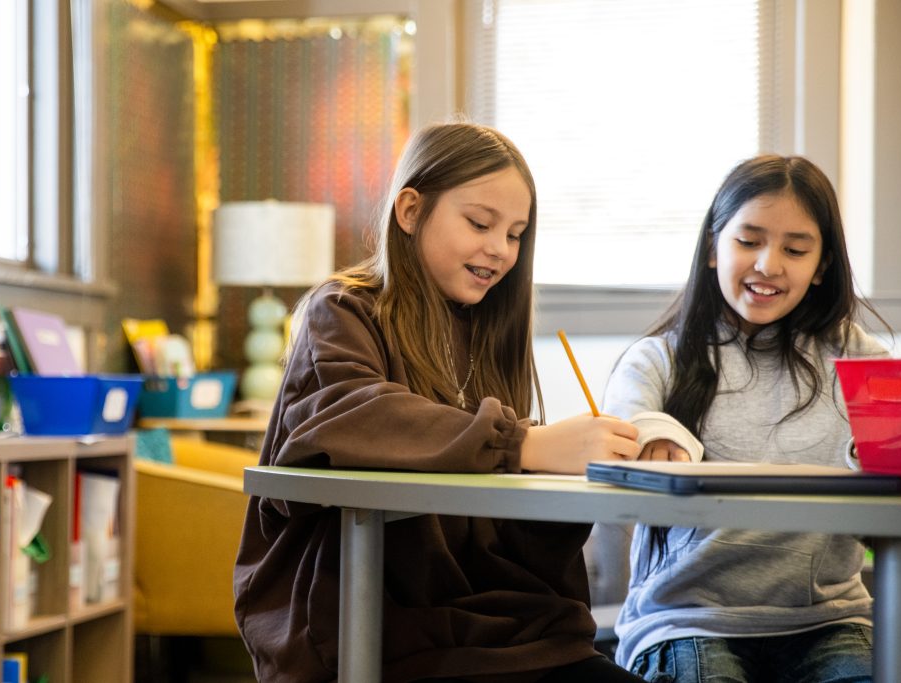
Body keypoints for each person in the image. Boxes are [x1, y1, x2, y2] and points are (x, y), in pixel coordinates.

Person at [233, 121, 646, 683]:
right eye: (479, 223)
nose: (500, 250)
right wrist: (522, 442)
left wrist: (570, 480)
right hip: (370, 626)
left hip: (496, 628)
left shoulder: (489, 336)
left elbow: (503, 539)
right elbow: (350, 415)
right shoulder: (343, 312)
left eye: (516, 233)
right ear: (410, 211)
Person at [602, 154, 891, 683]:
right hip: (685, 620)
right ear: (714, 246)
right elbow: (627, 418)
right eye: (748, 241)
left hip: (829, 620)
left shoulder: (857, 359)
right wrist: (658, 439)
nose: (768, 265)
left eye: (796, 249)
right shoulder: (660, 357)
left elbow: (896, 448)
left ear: (822, 265)